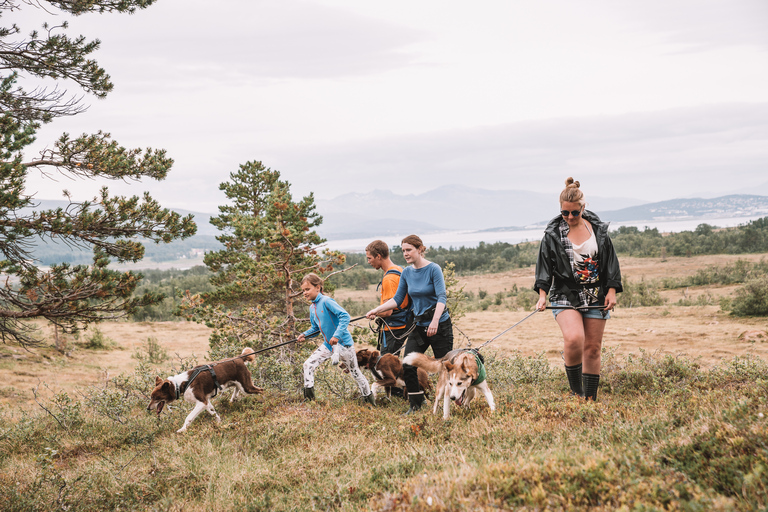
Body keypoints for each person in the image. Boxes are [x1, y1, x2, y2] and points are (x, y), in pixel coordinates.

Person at [534, 178, 622, 401]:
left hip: (596, 295)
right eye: (565, 213)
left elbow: (611, 262)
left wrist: (611, 291)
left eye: (575, 213)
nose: (570, 217)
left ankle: (590, 400)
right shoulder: (552, 234)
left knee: (592, 348)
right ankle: (576, 392)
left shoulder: (599, 230)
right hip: (565, 293)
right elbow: (544, 266)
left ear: (584, 207)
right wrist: (542, 295)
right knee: (574, 339)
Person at [366, 235, 453, 414]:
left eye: (409, 250)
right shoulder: (406, 272)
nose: (405, 253)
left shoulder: (433, 269)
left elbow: (441, 297)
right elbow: (397, 299)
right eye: (403, 250)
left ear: (420, 249)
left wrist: (435, 321)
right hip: (419, 326)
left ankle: (448, 404)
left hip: (440, 325)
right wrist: (377, 309)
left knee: (446, 367)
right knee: (407, 365)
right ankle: (415, 405)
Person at [297, 273, 374, 405]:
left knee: (356, 374)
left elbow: (345, 316)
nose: (304, 293)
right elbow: (315, 328)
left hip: (344, 346)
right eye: (303, 290)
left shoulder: (327, 301)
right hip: (328, 345)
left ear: (318, 287)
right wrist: (305, 335)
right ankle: (309, 401)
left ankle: (369, 401)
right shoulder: (312, 307)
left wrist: (336, 336)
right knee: (308, 364)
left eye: (307, 289)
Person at [365, 240, 413, 356]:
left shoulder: (389, 278)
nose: (368, 262)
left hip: (394, 328)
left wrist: (375, 313)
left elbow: (387, 311)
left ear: (379, 256)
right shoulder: (399, 269)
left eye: (370, 258)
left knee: (386, 366)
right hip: (406, 323)